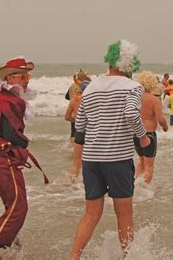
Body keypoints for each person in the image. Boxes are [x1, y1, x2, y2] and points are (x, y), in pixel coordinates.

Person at [71, 40, 150, 258]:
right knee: (124, 213)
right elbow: (132, 114)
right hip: (117, 159)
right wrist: (143, 137)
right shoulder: (133, 87)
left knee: (91, 214)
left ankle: (74, 257)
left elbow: (80, 126)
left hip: (91, 160)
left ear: (110, 61)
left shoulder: (91, 87)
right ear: (130, 63)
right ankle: (126, 256)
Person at [0, 57, 48, 259]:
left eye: (28, 76)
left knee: (12, 204)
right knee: (19, 207)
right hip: (3, 158)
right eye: (23, 76)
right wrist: (23, 146)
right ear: (10, 78)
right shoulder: (11, 100)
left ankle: (12, 244)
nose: (27, 80)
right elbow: (13, 134)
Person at [134, 71, 168, 185]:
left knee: (141, 161)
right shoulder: (154, 100)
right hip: (149, 135)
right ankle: (144, 189)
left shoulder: (135, 99)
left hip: (136, 134)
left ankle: (135, 186)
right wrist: (165, 127)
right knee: (149, 165)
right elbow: (161, 119)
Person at [64, 82, 89, 183]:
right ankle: (86, 183)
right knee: (92, 161)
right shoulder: (91, 99)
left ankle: (71, 182)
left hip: (79, 132)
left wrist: (78, 120)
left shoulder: (74, 100)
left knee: (76, 162)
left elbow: (67, 117)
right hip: (91, 133)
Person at [65, 70, 91, 140]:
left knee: (73, 130)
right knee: (81, 131)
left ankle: (71, 144)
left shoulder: (71, 86)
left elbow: (66, 97)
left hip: (72, 109)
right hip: (80, 110)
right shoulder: (85, 86)